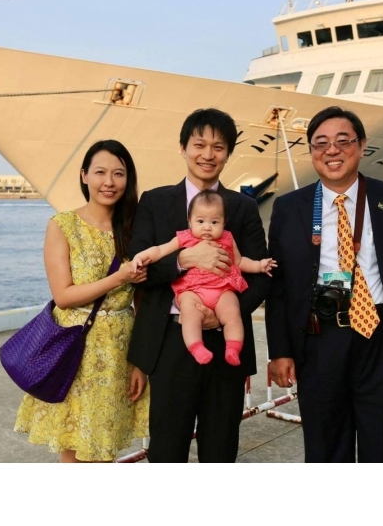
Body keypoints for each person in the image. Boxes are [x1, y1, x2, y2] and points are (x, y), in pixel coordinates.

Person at [265, 106, 383, 462]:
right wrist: (280, 351)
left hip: (382, 338)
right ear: (311, 151)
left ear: (361, 146)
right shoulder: (289, 207)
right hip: (319, 339)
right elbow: (279, 285)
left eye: (342, 141)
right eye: (321, 143)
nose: (331, 150)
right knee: (325, 447)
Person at [127, 107, 271, 463]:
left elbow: (260, 277)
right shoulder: (155, 201)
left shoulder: (243, 207)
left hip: (226, 344)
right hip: (169, 342)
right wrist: (183, 260)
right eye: (199, 144)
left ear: (228, 153)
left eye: (218, 147)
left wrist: (223, 315)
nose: (208, 154)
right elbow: (138, 269)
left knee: (220, 449)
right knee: (166, 449)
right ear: (183, 148)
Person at [14, 140, 149, 462]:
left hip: (119, 351)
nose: (109, 182)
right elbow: (63, 296)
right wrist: (120, 278)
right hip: (75, 348)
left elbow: (143, 303)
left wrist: (141, 363)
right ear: (84, 175)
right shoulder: (63, 225)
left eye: (118, 173)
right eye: (100, 172)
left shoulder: (136, 229)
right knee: (74, 450)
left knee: (104, 449)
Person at [130, 189, 277, 366]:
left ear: (224, 222)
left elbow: (239, 261)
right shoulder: (184, 237)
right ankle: (196, 347)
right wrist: (141, 256)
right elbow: (160, 250)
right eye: (200, 221)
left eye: (214, 222)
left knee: (232, 312)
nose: (207, 227)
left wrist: (259, 265)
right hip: (191, 290)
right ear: (190, 221)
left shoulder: (228, 238)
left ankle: (233, 348)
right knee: (190, 314)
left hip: (222, 289)